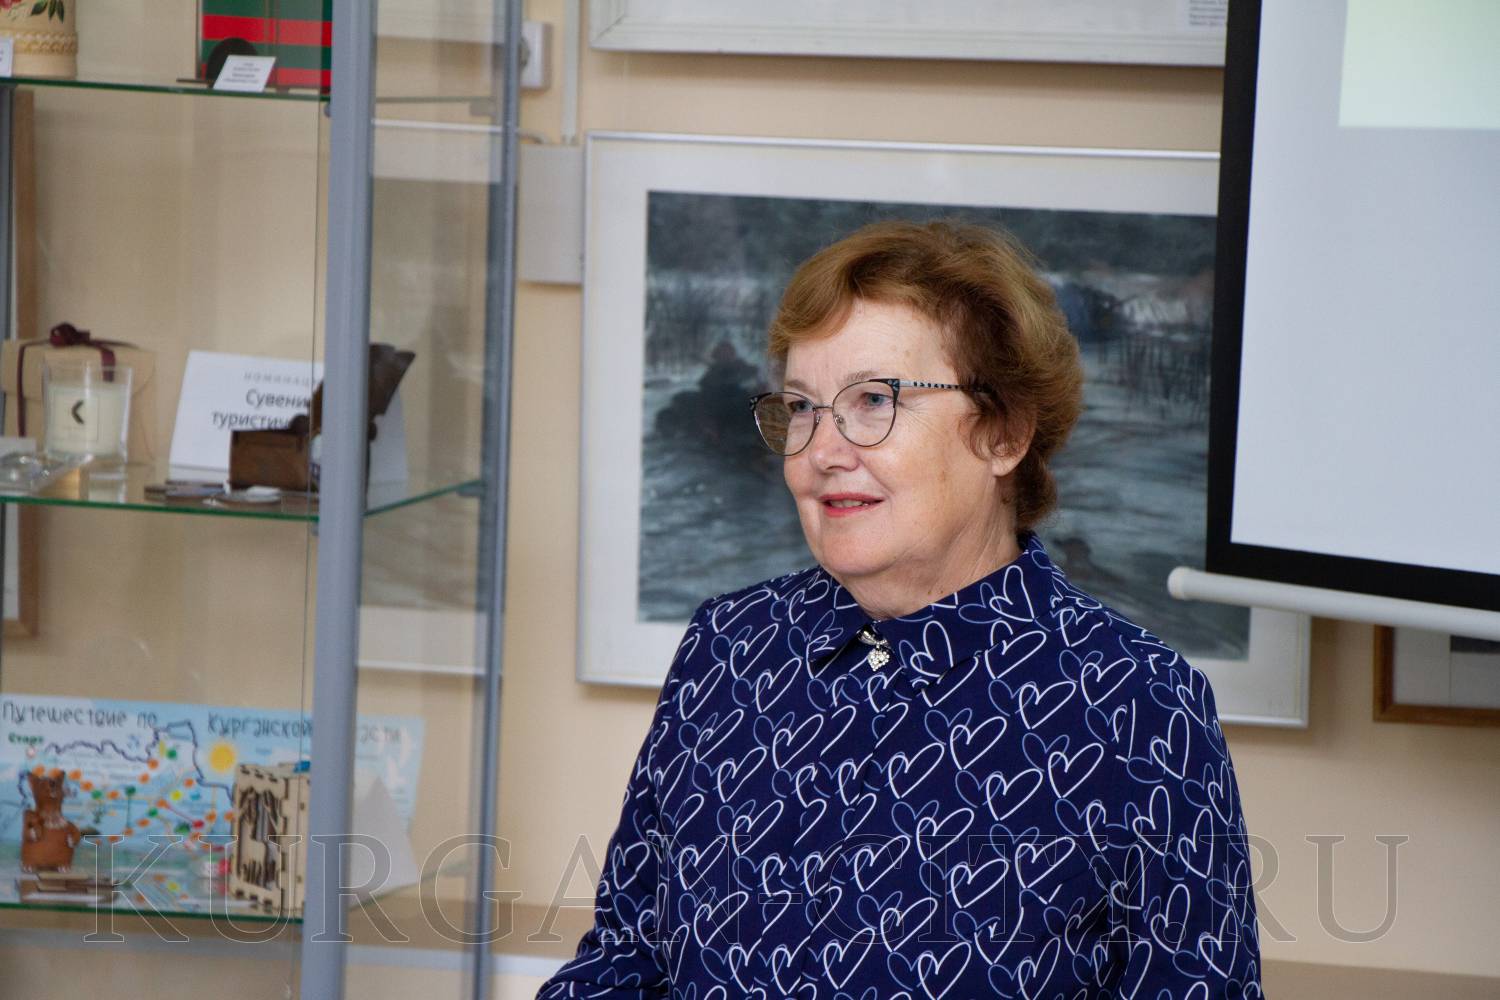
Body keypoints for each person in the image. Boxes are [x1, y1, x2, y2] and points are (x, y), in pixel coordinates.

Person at [537, 220, 1262, 997]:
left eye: (874, 400)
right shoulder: (730, 648)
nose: (822, 452)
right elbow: (626, 958)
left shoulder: (1140, 707)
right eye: (802, 407)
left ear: (1005, 433)